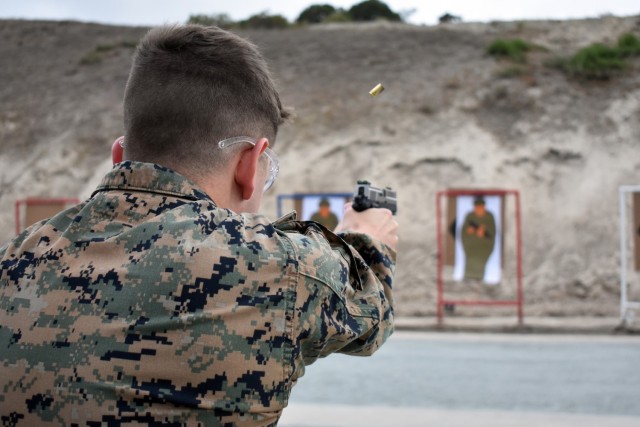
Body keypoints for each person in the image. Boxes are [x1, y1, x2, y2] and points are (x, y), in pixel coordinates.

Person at [0, 25, 398, 426]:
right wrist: (366, 240)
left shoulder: (12, 260)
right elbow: (371, 315)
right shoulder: (279, 269)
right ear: (248, 163)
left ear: (119, 154)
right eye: (267, 169)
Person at [461, 196, 496, 280]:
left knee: (480, 265)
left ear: (484, 207)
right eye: (477, 207)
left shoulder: (489, 217)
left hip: (483, 248)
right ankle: (467, 280)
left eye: (481, 207)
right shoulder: (470, 216)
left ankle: (479, 280)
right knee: (470, 265)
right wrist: (469, 231)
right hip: (471, 248)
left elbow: (492, 233)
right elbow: (463, 231)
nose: (479, 209)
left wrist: (484, 232)